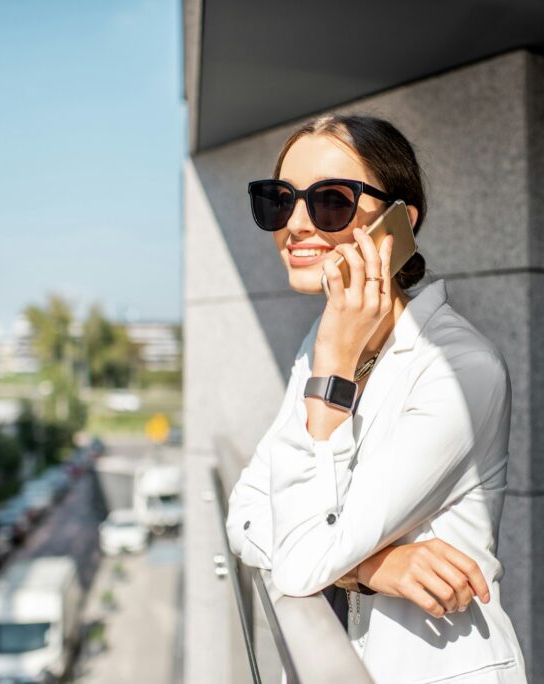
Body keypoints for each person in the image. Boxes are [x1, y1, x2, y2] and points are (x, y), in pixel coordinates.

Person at [226, 114, 527, 683]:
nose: (295, 224)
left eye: (330, 201)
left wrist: (333, 368)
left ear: (398, 222)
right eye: (278, 200)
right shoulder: (320, 343)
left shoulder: (460, 371)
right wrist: (370, 566)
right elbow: (243, 516)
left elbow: (298, 562)